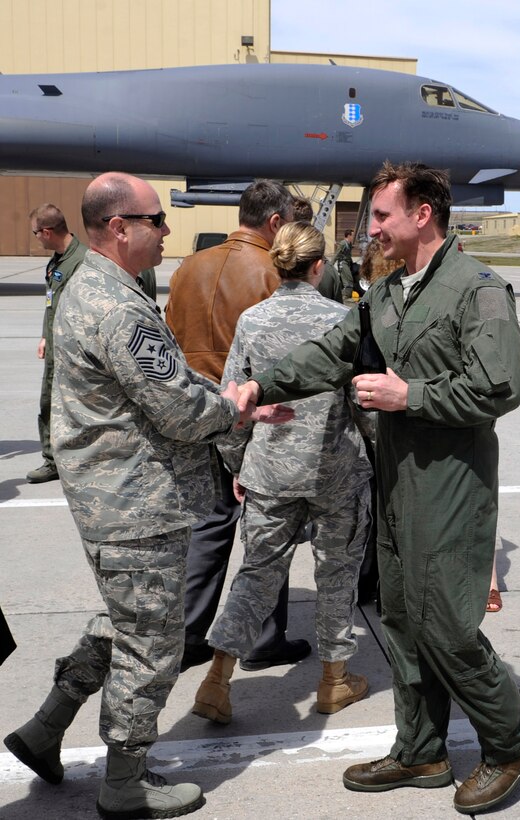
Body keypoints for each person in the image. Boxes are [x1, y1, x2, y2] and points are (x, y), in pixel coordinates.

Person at [237, 162, 520, 815]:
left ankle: (512, 741)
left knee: (447, 623)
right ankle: (422, 751)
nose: (370, 227)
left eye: (381, 215)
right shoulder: (386, 296)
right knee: (402, 615)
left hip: (452, 480)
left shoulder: (475, 288)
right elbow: (330, 353)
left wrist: (412, 395)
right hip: (398, 479)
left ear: (422, 215)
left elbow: (501, 385)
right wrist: (261, 385)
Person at [3, 172, 291, 820]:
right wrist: (239, 409)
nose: (166, 230)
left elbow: (166, 376)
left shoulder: (101, 288)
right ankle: (125, 782)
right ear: (118, 228)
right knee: (152, 647)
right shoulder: (115, 304)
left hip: (115, 500)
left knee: (124, 623)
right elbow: (179, 409)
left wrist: (222, 401)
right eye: (156, 219)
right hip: (136, 506)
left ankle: (46, 729)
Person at [193, 221, 374, 723]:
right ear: (319, 266)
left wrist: (237, 462)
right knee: (337, 575)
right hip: (335, 471)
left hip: (270, 472)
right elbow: (364, 404)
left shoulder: (253, 320)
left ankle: (217, 680)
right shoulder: (345, 319)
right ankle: (334, 681)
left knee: (255, 576)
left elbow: (234, 399)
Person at [165, 180, 311, 674]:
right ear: (275, 223)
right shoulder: (272, 272)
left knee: (208, 526)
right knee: (267, 529)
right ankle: (264, 636)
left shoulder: (189, 267)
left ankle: (189, 633)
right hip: (250, 416)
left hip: (193, 415)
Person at [26, 205, 87, 484]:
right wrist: (44, 335)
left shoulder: (81, 262)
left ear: (47, 232)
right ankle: (52, 460)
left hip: (72, 350)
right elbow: (51, 301)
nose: (36, 238)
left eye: (36, 233)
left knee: (77, 406)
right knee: (48, 402)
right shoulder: (58, 261)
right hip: (54, 345)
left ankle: (77, 461)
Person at [331, 228, 355, 300]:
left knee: (346, 280)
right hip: (343, 264)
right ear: (348, 236)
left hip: (347, 263)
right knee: (348, 280)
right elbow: (336, 254)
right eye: (352, 235)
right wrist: (331, 265)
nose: (353, 237)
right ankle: (344, 297)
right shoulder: (343, 243)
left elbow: (348, 254)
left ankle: (343, 295)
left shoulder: (349, 244)